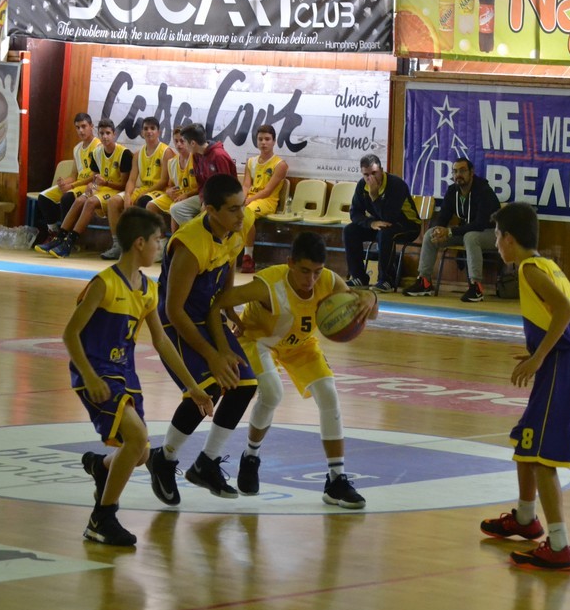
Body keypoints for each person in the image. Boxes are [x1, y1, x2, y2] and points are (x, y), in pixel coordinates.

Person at [64, 207, 214, 546]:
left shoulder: (148, 289)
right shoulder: (103, 284)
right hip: (97, 372)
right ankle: (102, 519)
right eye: (158, 241)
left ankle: (101, 466)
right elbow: (70, 334)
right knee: (136, 437)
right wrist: (89, 376)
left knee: (141, 453)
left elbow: (161, 341)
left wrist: (193, 387)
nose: (160, 247)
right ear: (139, 243)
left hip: (125, 374)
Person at [207, 232, 378, 508]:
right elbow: (219, 301)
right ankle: (251, 457)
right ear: (290, 263)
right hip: (260, 341)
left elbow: (370, 311)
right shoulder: (268, 285)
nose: (311, 279)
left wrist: (370, 297)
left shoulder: (329, 281)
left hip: (301, 345)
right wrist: (231, 320)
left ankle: (336, 480)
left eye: (317, 272)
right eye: (305, 271)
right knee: (272, 393)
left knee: (329, 394)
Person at [479, 202, 570, 571]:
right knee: (526, 440)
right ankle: (525, 518)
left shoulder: (530, 269)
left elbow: (564, 311)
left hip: (565, 362)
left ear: (508, 239)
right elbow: (561, 316)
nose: (496, 244)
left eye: (497, 237)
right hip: (568, 359)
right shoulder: (546, 264)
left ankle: (559, 546)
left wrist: (540, 356)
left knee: (544, 457)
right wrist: (538, 352)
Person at [145, 173, 259, 505]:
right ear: (210, 210)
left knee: (244, 385)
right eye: (233, 209)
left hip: (208, 314)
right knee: (208, 388)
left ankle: (206, 463)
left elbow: (229, 265)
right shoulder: (190, 244)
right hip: (176, 321)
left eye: (242, 206)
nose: (241, 215)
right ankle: (164, 458)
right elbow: (174, 309)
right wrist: (212, 354)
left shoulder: (236, 227)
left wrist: (229, 307)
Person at [403, 157, 500, 302]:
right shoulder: (452, 190)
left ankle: (476, 287)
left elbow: (480, 224)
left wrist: (449, 232)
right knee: (430, 235)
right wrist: (439, 230)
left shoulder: (484, 191)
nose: (458, 175)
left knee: (471, 237)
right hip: (467, 232)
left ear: (471, 172)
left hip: (493, 233)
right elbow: (444, 215)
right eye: (455, 171)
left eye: (462, 171)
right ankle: (424, 282)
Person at [37, 118, 133, 258]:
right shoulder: (97, 152)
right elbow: (95, 177)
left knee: (90, 202)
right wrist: (91, 185)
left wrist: (105, 183)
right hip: (103, 188)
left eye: (108, 133)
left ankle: (70, 243)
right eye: (102, 133)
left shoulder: (124, 153)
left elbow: (124, 184)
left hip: (116, 190)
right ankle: (59, 238)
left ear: (114, 134)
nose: (105, 137)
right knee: (79, 200)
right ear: (98, 134)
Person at [342, 153, 421, 292]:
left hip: (407, 225)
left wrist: (374, 196)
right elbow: (355, 213)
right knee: (350, 230)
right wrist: (370, 224)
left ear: (382, 170)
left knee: (385, 233)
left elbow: (389, 217)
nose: (370, 178)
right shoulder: (362, 185)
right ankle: (359, 277)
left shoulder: (396, 184)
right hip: (380, 223)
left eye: (374, 173)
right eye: (366, 175)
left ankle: (386, 280)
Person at [102, 116, 172, 260]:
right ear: (141, 132)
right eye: (146, 128)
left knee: (144, 201)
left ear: (158, 132)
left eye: (152, 128)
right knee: (113, 202)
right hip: (144, 189)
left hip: (159, 190)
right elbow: (132, 180)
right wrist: (128, 195)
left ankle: (160, 243)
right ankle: (118, 245)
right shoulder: (138, 154)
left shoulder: (166, 151)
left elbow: (164, 181)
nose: (149, 131)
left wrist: (143, 193)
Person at [34, 112, 100, 245]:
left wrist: (71, 186)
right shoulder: (77, 149)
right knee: (44, 197)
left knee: (67, 197)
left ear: (91, 126)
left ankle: (67, 238)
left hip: (91, 185)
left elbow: (95, 176)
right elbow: (74, 175)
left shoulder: (98, 146)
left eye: (84, 126)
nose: (81, 130)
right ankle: (53, 232)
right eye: (78, 127)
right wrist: (64, 182)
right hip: (77, 183)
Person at [239, 124, 289, 273]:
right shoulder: (251, 162)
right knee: (231, 210)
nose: (263, 142)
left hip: (268, 201)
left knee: (247, 213)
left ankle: (248, 257)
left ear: (274, 141)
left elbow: (267, 191)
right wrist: (241, 199)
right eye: (260, 139)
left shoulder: (280, 164)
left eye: (267, 139)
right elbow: (246, 185)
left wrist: (249, 201)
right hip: (251, 198)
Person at [168, 123, 237, 228]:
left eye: (184, 141)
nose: (183, 145)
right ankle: (198, 233)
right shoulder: (196, 155)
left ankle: (204, 233)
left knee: (206, 215)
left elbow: (226, 188)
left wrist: (209, 203)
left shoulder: (219, 156)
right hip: (207, 197)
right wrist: (203, 200)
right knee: (175, 209)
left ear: (193, 143)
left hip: (224, 200)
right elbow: (201, 184)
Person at [145, 126, 199, 234]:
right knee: (150, 206)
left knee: (175, 207)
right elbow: (170, 185)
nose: (179, 144)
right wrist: (169, 191)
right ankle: (161, 239)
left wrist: (186, 195)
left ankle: (176, 240)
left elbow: (203, 186)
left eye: (182, 141)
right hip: (178, 195)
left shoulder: (196, 159)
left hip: (193, 195)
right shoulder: (172, 162)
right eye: (176, 141)